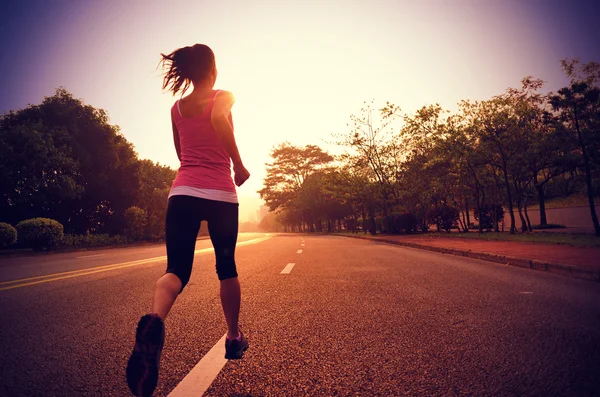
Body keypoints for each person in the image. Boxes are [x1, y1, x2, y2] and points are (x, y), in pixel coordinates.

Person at [126, 43, 250, 397]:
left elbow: (181, 153)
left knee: (176, 270)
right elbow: (216, 120)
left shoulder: (176, 108)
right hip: (221, 194)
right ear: (213, 69)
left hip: (182, 193)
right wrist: (238, 165)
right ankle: (233, 336)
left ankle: (155, 322)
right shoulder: (224, 95)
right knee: (226, 266)